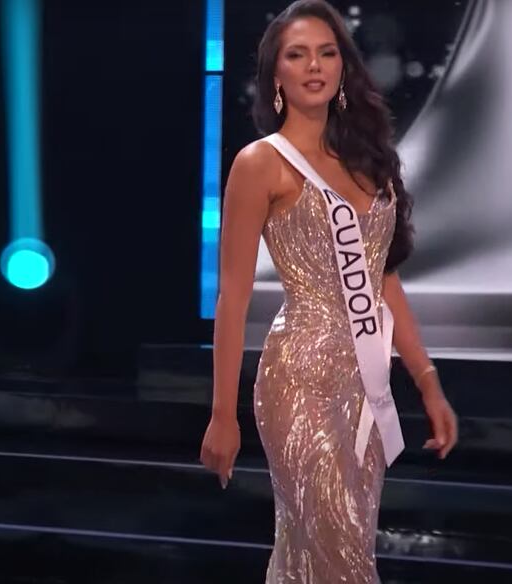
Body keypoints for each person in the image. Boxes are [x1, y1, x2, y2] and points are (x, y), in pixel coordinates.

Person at [200, 1, 458, 581]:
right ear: (276, 76)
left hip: (365, 389)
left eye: (326, 51)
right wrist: (222, 414)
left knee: (311, 560)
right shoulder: (260, 164)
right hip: (297, 383)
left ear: (343, 66)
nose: (314, 65)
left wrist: (428, 383)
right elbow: (232, 298)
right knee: (342, 560)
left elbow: (381, 279)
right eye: (297, 54)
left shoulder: (370, 163)